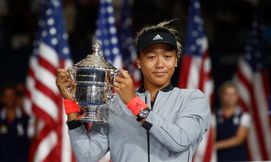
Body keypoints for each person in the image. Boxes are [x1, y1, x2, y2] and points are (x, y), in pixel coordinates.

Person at [56, 21, 210, 162]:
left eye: (167, 56)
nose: (160, 64)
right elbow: (87, 156)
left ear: (176, 60)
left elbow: (179, 141)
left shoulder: (193, 99)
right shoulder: (114, 104)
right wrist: (71, 105)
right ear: (139, 62)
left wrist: (133, 103)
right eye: (151, 57)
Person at [215, 81, 251, 162]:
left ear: (237, 96)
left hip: (238, 158)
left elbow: (238, 140)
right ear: (221, 96)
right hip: (219, 158)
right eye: (227, 94)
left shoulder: (244, 116)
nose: (230, 97)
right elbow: (212, 136)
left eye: (233, 94)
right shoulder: (215, 116)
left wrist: (215, 145)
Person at [0, 83, 30, 162]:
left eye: (12, 96)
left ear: (16, 98)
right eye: (7, 96)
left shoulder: (26, 120)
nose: (9, 98)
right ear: (2, 98)